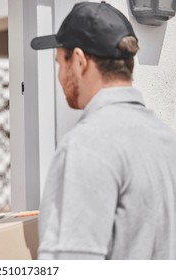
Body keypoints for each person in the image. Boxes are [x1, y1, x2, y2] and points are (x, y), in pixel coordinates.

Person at [31, 1, 176, 259]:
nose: (60, 76)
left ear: (78, 60)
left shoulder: (85, 146)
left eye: (59, 63)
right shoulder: (166, 138)